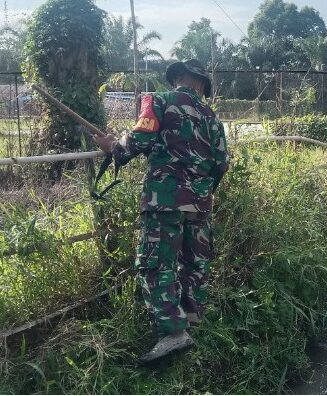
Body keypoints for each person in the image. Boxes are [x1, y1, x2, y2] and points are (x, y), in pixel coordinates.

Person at [92, 59, 229, 362]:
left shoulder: (159, 101)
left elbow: (141, 137)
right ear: (202, 85)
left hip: (164, 199)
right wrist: (202, 191)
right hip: (200, 202)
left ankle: (173, 332)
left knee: (156, 263)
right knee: (196, 262)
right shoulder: (212, 117)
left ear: (178, 77)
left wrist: (113, 147)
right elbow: (222, 163)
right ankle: (191, 319)